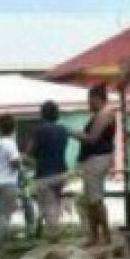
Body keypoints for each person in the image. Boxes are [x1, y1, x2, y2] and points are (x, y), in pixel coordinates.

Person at [70, 83, 117, 247]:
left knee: (96, 200)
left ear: (97, 98)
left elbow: (92, 138)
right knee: (91, 200)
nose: (88, 104)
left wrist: (70, 132)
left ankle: (105, 235)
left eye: (89, 100)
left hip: (97, 159)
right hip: (94, 159)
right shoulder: (102, 114)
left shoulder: (105, 114)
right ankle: (95, 235)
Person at [31, 100, 70, 237]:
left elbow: (32, 151)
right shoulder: (63, 130)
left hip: (45, 174)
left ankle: (54, 238)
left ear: (43, 114)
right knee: (55, 203)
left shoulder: (40, 130)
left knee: (49, 208)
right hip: (61, 173)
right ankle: (52, 231)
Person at [0, 114, 21, 241]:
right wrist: (21, 164)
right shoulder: (11, 144)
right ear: (14, 128)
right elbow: (15, 163)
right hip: (8, 183)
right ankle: (1, 243)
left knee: (0, 214)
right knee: (5, 215)